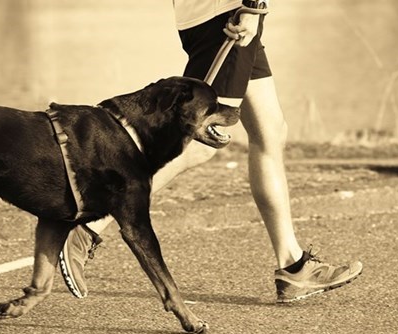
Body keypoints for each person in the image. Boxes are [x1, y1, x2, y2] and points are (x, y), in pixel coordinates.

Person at [58, 0, 362, 302]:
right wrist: (253, 7)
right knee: (198, 143)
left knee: (271, 130)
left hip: (219, 14)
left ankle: (294, 266)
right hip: (229, 14)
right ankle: (88, 225)